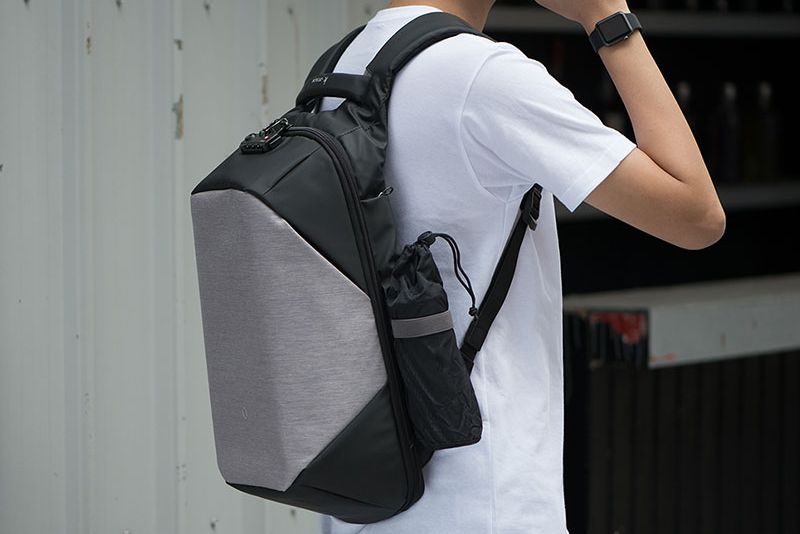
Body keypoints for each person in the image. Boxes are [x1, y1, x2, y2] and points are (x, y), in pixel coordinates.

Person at [318, 1, 726, 533]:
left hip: (366, 495)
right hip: (484, 497)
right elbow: (696, 216)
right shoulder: (485, 76)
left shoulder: (339, 69)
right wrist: (607, 17)